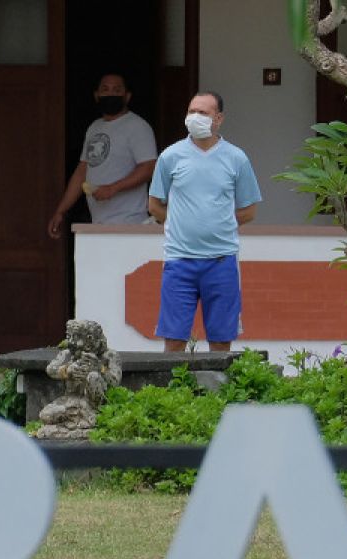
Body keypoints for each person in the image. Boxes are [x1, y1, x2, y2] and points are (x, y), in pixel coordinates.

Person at [147, 91, 261, 352]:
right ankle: (172, 391)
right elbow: (154, 205)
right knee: (174, 338)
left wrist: (217, 224)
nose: (194, 117)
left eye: (203, 113)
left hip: (222, 260)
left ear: (218, 118)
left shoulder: (236, 158)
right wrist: (180, 221)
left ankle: (218, 391)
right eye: (191, 112)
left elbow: (249, 210)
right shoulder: (170, 156)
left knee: (221, 340)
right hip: (179, 260)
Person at [47, 73, 157, 238]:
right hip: (98, 223)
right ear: (97, 95)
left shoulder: (138, 127)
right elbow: (82, 171)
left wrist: (113, 189)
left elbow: (149, 167)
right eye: (105, 89)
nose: (111, 94)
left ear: (127, 96)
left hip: (128, 223)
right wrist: (61, 211)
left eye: (117, 90)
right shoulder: (94, 128)